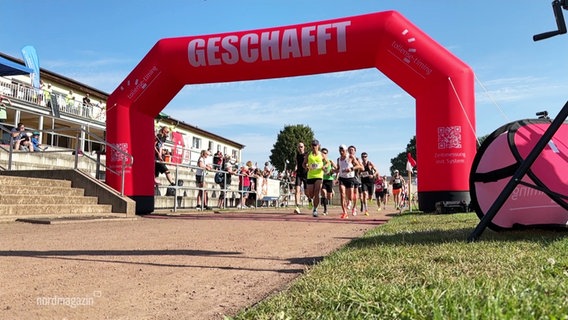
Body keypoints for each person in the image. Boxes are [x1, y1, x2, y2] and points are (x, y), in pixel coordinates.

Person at [335, 144, 363, 219]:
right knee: (342, 195)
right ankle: (345, 212)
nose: (341, 152)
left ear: (346, 150)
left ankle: (354, 207)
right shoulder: (338, 159)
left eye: (342, 150)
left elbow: (360, 166)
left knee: (350, 197)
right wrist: (333, 171)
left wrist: (351, 169)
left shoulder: (350, 157)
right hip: (342, 178)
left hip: (350, 178)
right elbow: (338, 168)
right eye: (340, 150)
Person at [302, 139, 325, 217]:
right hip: (310, 176)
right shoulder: (309, 155)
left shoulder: (321, 154)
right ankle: (310, 200)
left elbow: (328, 162)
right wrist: (306, 167)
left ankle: (315, 209)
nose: (314, 147)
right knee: (311, 194)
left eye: (315, 145)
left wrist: (325, 166)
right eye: (313, 145)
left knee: (317, 192)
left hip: (319, 176)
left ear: (318, 146)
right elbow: (303, 164)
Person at [320, 147, 337, 215]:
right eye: (322, 153)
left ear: (327, 154)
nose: (323, 154)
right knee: (323, 193)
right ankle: (325, 209)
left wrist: (332, 171)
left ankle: (332, 192)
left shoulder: (330, 161)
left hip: (329, 179)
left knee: (329, 197)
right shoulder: (319, 161)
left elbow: (336, 168)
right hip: (322, 179)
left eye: (325, 153)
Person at [293, 142, 307, 214]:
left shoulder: (307, 154)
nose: (300, 148)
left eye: (301, 146)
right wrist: (295, 168)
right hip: (299, 174)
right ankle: (297, 207)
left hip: (306, 174)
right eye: (299, 147)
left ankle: (310, 201)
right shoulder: (297, 155)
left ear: (304, 147)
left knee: (307, 192)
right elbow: (297, 163)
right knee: (297, 190)